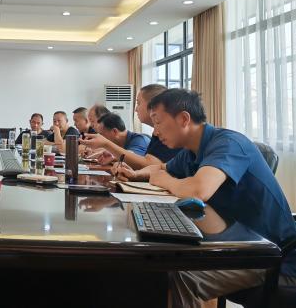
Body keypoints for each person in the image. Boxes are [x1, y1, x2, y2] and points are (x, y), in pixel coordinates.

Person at [111, 89, 296, 307]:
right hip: (239, 243)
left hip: (274, 256)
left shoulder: (228, 143)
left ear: (184, 119)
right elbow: (161, 168)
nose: (156, 132)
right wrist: (135, 175)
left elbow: (198, 190)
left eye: (158, 122)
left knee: (180, 277)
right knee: (159, 266)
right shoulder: (191, 151)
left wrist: (164, 180)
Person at [80, 85, 181, 169]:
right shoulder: (157, 133)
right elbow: (151, 167)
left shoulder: (167, 133)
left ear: (154, 105)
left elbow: (149, 165)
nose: (136, 109)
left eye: (138, 103)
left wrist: (106, 144)